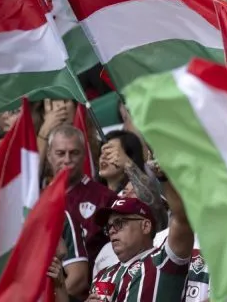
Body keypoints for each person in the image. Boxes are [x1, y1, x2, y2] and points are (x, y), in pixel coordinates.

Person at [89, 185, 195, 302]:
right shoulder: (103, 275)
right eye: (108, 227)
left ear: (145, 226)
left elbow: (182, 219)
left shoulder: (164, 260)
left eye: (119, 223)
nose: (111, 230)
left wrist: (164, 179)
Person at [49, 124, 117, 269]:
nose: (67, 160)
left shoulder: (105, 198)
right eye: (60, 153)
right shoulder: (38, 200)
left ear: (85, 155)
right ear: (49, 155)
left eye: (74, 153)